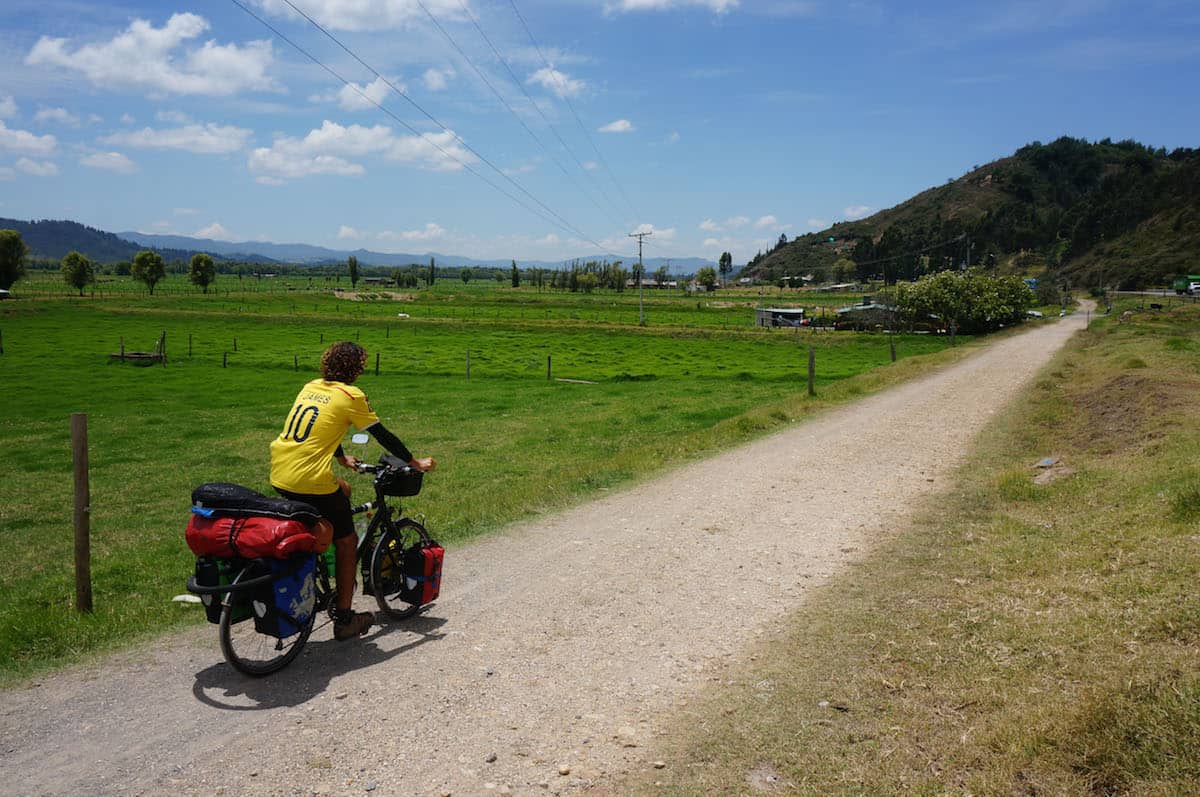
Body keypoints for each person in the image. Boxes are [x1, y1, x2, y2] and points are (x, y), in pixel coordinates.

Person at [270, 341, 436, 640]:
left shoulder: (311, 386)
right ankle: (345, 619)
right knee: (347, 541)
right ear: (357, 369)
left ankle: (323, 564)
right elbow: (382, 435)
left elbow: (326, 429)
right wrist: (415, 461)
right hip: (310, 479)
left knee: (343, 490)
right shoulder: (351, 394)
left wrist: (342, 459)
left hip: (280, 472)